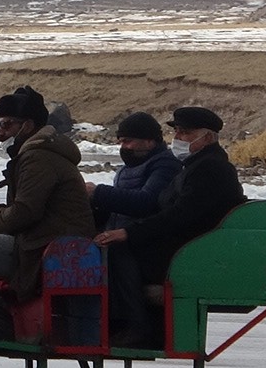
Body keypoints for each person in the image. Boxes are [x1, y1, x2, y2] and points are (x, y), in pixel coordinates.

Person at [0, 86, 95, 339]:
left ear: (27, 126)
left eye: (6, 125)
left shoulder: (38, 158)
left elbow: (24, 214)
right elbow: (28, 208)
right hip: (41, 241)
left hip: (45, 250)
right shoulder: (39, 154)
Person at [93, 106, 246, 347]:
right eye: (177, 133)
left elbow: (180, 215)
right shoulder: (196, 165)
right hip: (190, 244)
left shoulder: (211, 169)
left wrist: (128, 232)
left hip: (192, 250)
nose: (177, 139)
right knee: (116, 246)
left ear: (206, 137)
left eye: (185, 133)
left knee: (119, 250)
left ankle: (137, 325)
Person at [86, 111, 182, 232]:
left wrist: (98, 192)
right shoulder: (128, 167)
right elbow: (119, 210)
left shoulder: (167, 164)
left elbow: (148, 203)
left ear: (149, 141)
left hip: (144, 240)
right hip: (119, 240)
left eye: (128, 141)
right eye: (121, 142)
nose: (123, 147)